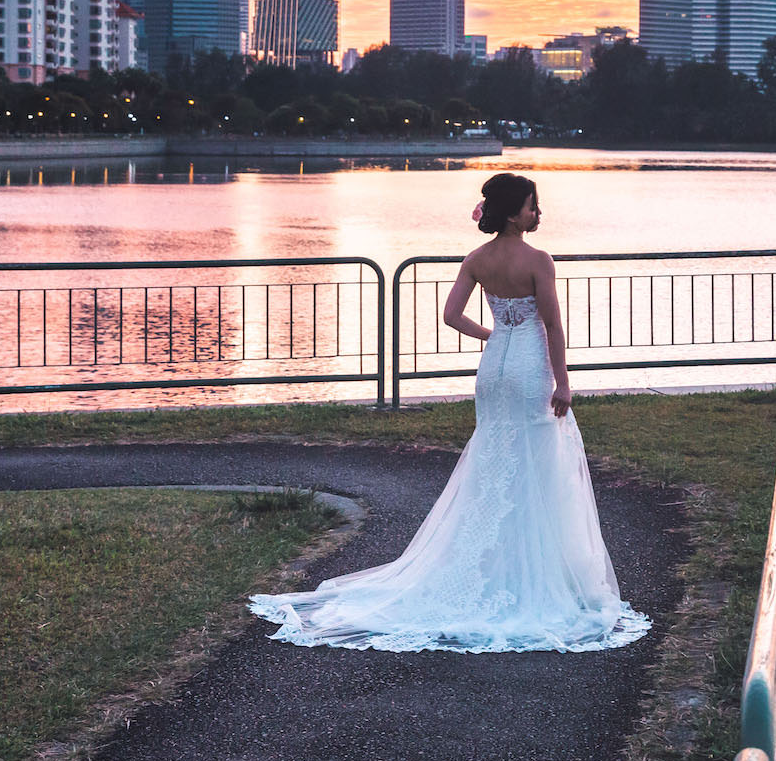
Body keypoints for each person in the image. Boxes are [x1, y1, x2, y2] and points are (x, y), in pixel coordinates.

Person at [249, 172, 649, 653]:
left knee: (494, 457)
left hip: (493, 371)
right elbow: (552, 324)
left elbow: (450, 315)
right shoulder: (538, 260)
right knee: (535, 460)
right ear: (511, 212)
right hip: (529, 371)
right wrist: (563, 381)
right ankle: (534, 571)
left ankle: (482, 563)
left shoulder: (478, 259)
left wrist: (493, 334)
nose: (536, 213)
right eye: (530, 206)